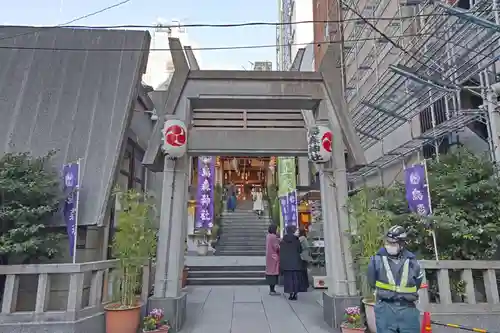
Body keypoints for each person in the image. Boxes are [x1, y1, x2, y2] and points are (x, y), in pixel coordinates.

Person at [367, 225, 424, 333]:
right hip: (385, 308)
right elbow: (372, 281)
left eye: (393, 243)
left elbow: (417, 284)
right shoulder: (376, 260)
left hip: (408, 309)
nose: (389, 246)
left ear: (402, 244)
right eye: (387, 242)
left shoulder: (413, 262)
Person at [279, 225, 303, 300]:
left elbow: (281, 252)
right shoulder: (296, 240)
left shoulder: (283, 241)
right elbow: (300, 250)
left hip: (286, 263)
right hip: (295, 262)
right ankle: (295, 293)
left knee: (288, 279)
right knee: (295, 278)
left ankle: (290, 293)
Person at [265, 224, 280, 295]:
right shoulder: (274, 237)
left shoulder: (268, 236)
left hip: (269, 256)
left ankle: (271, 289)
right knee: (273, 272)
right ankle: (272, 290)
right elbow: (276, 247)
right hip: (274, 257)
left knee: (270, 272)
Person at [297, 228, 312, 292]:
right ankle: (305, 285)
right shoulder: (304, 238)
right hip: (305, 256)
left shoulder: (301, 238)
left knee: (302, 272)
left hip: (302, 256)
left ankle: (303, 286)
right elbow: (308, 247)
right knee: (304, 272)